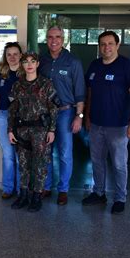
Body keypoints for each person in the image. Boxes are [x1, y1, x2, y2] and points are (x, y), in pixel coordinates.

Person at [82, 31, 130, 215]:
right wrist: (87, 116)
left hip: (119, 126)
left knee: (118, 164)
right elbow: (90, 93)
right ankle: (99, 193)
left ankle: (120, 198)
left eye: (110, 43)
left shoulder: (127, 66)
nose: (106, 47)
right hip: (96, 124)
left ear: (117, 45)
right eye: (102, 44)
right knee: (97, 161)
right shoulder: (94, 65)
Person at [39, 26, 86, 205]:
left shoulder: (73, 61)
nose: (54, 40)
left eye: (58, 37)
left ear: (63, 38)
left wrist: (79, 116)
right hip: (44, 114)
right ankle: (46, 186)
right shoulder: (41, 60)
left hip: (66, 112)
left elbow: (80, 91)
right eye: (50, 37)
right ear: (46, 39)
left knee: (65, 154)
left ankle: (63, 190)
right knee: (46, 152)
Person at [8, 52, 59, 212]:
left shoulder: (46, 84)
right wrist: (11, 130)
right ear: (22, 65)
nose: (29, 64)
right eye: (25, 62)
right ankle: (23, 195)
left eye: (32, 61)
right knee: (23, 164)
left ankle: (36, 196)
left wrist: (52, 130)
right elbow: (12, 110)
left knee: (39, 164)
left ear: (37, 64)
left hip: (40, 131)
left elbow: (53, 108)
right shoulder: (17, 85)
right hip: (22, 130)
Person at [0, 42, 22, 199]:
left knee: (20, 155)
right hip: (3, 116)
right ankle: (8, 189)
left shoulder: (26, 73)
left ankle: (22, 189)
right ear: (5, 57)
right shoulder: (1, 74)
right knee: (7, 154)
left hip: (22, 119)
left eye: (15, 54)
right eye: (9, 54)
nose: (12, 57)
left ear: (21, 56)